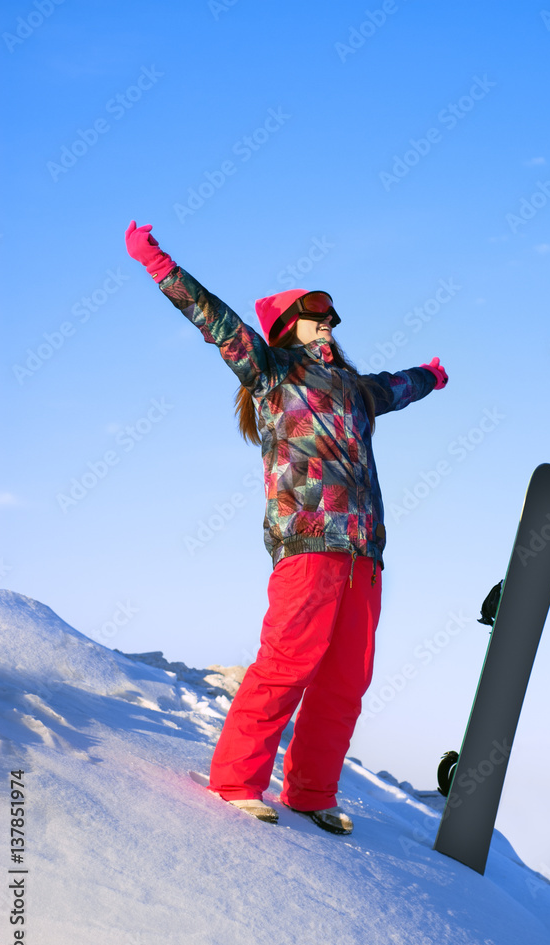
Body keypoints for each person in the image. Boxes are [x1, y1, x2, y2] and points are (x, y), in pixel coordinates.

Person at [125, 220, 449, 834]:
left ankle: (312, 791)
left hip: (364, 554)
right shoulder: (271, 373)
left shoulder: (354, 388)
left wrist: (431, 376)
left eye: (331, 317)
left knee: (346, 680)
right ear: (285, 326)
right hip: (308, 546)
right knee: (286, 664)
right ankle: (235, 781)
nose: (328, 323)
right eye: (315, 315)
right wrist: (160, 266)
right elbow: (213, 319)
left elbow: (398, 387)